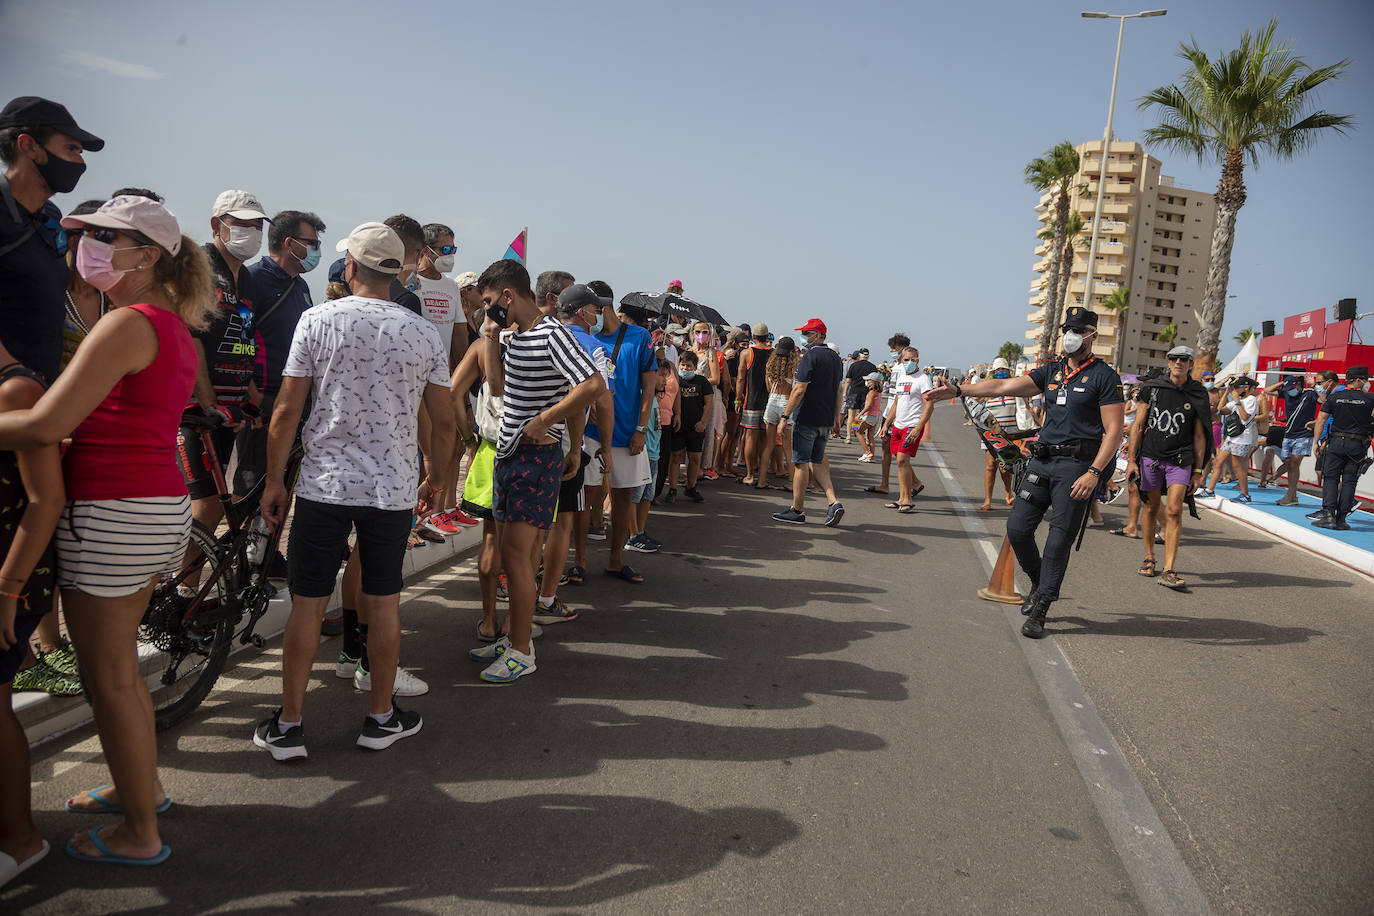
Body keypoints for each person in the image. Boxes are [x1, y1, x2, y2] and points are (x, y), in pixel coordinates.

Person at [0, 195, 212, 864]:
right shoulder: (166, 324)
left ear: (146, 256)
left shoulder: (126, 323)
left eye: (102, 236)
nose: (85, 245)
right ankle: (140, 789)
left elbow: (45, 423)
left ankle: (140, 833)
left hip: (113, 510)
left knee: (110, 676)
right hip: (149, 506)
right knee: (119, 672)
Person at [254, 222, 454, 760]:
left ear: (350, 267)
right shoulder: (422, 332)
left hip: (324, 484)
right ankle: (380, 718)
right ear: (396, 271)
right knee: (384, 602)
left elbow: (287, 409)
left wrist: (274, 480)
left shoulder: (317, 319)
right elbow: (444, 422)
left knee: (308, 604)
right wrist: (438, 479)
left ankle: (289, 725)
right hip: (392, 487)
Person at [927, 306, 1124, 639]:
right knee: (1017, 529)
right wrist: (960, 391)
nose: (1071, 336)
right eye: (1067, 330)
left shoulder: (1105, 376)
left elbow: (1114, 431)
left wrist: (1094, 473)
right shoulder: (1053, 371)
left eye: (1078, 330)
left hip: (1076, 467)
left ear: (1092, 335)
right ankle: (1038, 581)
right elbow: (1002, 387)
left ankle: (1042, 607)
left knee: (1058, 541)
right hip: (1042, 461)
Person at [466, 260, 602, 683]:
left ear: (508, 295)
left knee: (517, 559)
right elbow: (498, 388)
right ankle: (514, 638)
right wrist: (491, 335)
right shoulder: (515, 335)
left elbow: (592, 385)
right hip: (509, 455)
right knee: (513, 557)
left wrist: (547, 419)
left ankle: (522, 651)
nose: (487, 309)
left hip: (535, 459)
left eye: (491, 301)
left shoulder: (552, 333)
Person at [0, 341, 63, 886]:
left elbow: (45, 499)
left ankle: (20, 838)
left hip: (9, 578)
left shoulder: (17, 391)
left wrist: (7, 588)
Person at [179, 189, 270, 564]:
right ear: (217, 224)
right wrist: (207, 401)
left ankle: (189, 586)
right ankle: (181, 590)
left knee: (219, 503)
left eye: (257, 226)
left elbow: (244, 335)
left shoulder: (245, 277)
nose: (252, 232)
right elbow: (192, 336)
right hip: (196, 409)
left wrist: (251, 395)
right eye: (242, 224)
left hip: (230, 406)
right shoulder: (198, 265)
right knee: (205, 505)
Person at [0, 96, 104, 386]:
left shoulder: (51, 216)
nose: (80, 162)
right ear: (28, 146)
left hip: (41, 392)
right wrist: (10, 371)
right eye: (71, 149)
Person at [584, 284, 657, 584]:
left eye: (589, 308)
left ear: (602, 307)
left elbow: (649, 387)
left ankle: (616, 560)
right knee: (586, 497)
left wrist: (641, 429)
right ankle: (578, 563)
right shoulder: (587, 337)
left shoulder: (639, 337)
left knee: (623, 496)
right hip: (592, 432)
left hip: (628, 433)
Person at [1126, 346, 1212, 589]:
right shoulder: (1153, 388)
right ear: (1168, 361)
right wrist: (1131, 460)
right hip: (1151, 457)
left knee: (1174, 510)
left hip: (1181, 459)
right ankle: (1149, 557)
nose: (1178, 362)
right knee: (1152, 506)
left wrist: (1198, 471)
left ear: (1191, 364)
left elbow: (1200, 435)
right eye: (1174, 358)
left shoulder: (1197, 393)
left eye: (1184, 359)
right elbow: (1138, 425)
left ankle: (1169, 568)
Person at [414, 222, 474, 536]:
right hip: (413, 380)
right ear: (425, 250)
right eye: (445, 249)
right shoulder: (410, 284)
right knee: (420, 454)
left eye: (453, 248)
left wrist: (461, 382)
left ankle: (438, 511)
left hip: (442, 382)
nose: (450, 255)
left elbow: (459, 337)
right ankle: (413, 521)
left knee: (448, 448)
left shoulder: (450, 287)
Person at [772, 319, 844, 527]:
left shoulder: (810, 356)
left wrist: (785, 417)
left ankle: (797, 509)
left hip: (807, 416)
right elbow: (838, 390)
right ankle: (833, 502)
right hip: (825, 418)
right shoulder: (835, 358)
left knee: (801, 463)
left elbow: (799, 389)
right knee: (816, 461)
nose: (803, 336)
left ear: (818, 335)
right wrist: (836, 418)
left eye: (807, 332)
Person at [1310, 366, 1374, 530]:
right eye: (1366, 379)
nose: (1367, 383)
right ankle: (1341, 519)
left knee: (1331, 478)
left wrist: (1316, 442)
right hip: (1358, 445)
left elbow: (1321, 420)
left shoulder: (1335, 397)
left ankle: (1328, 516)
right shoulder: (1370, 399)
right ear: (1359, 380)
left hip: (1336, 443)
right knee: (1349, 481)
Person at [879, 346, 935, 513]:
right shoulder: (902, 377)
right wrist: (886, 424)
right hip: (898, 425)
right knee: (900, 462)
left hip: (912, 425)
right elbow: (896, 403)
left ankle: (908, 500)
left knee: (903, 460)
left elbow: (929, 406)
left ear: (918, 359)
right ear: (901, 360)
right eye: (906, 359)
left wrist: (919, 428)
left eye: (913, 359)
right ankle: (902, 498)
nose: (910, 362)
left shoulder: (923, 379)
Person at [1197, 377, 1258, 502]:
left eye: (1236, 387)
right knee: (1218, 462)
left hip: (1242, 438)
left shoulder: (1251, 400)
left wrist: (1237, 401)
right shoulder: (1239, 400)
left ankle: (1245, 494)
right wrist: (1226, 392)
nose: (1234, 390)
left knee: (1237, 466)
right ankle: (1209, 490)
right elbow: (1220, 409)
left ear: (1246, 388)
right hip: (1231, 437)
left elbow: (1245, 417)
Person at [666, 350, 714, 503]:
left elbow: (709, 403)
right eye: (683, 365)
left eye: (688, 366)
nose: (685, 368)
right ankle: (672, 489)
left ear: (695, 367)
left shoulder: (702, 382)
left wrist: (703, 422)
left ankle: (691, 487)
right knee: (675, 457)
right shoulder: (675, 380)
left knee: (695, 459)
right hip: (677, 425)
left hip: (696, 427)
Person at [865, 333, 910, 496]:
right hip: (889, 411)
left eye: (893, 348)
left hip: (896, 413)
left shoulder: (905, 368)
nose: (891, 351)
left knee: (897, 451)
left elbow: (902, 395)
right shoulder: (896, 366)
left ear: (901, 348)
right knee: (887, 447)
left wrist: (893, 416)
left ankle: (913, 484)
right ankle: (885, 484)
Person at [1268, 373, 1320, 506]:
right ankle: (1293, 495)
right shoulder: (1286, 392)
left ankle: (1290, 495)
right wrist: (1283, 382)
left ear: (1298, 385)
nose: (1289, 391)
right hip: (1289, 434)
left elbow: (1324, 400)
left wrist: (1314, 385)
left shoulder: (1309, 394)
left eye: (1291, 388)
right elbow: (1267, 390)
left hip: (1304, 434)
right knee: (1289, 464)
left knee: (1294, 463)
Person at [735, 323, 773, 487]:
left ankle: (750, 474)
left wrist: (737, 399)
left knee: (750, 437)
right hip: (770, 401)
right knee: (765, 439)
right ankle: (761, 474)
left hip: (751, 401)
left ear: (753, 337)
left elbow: (740, 378)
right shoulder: (774, 353)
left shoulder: (746, 353)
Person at [977, 357, 1017, 510]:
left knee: (1005, 468)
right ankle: (988, 500)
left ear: (1009, 371)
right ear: (993, 373)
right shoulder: (987, 391)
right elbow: (974, 405)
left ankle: (1008, 492)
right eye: (998, 370)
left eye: (1004, 369)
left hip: (1010, 434)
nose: (1001, 372)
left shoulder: (1015, 389)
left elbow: (1024, 409)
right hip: (991, 435)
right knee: (990, 467)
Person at [844, 348, 877, 442]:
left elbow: (848, 380)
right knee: (865, 416)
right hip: (867, 393)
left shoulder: (854, 365)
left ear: (859, 355)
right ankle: (866, 438)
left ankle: (849, 436)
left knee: (851, 415)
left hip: (853, 392)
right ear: (868, 356)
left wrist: (845, 393)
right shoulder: (872, 367)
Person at [857, 373, 883, 461]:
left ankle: (867, 452)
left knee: (857, 431)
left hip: (870, 415)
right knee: (870, 436)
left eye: (868, 380)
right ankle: (871, 456)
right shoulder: (878, 392)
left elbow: (868, 406)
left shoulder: (872, 392)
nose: (867, 382)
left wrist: (859, 415)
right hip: (876, 416)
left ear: (874, 382)